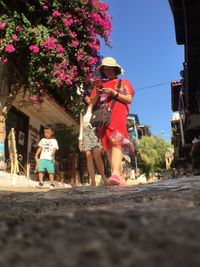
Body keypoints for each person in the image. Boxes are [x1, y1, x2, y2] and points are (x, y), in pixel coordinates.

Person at [90, 57, 134, 186]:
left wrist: (113, 92)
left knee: (117, 141)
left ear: (115, 69)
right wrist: (98, 92)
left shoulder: (124, 82)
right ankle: (118, 176)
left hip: (117, 115)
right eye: (105, 69)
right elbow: (92, 103)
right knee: (108, 145)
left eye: (110, 69)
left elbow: (128, 99)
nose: (108, 71)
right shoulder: (99, 85)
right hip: (103, 118)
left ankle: (114, 173)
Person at [78, 93, 108, 186]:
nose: (87, 98)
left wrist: (98, 92)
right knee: (88, 156)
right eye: (85, 97)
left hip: (94, 131)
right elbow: (81, 124)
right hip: (85, 132)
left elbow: (93, 101)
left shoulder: (94, 107)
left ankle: (103, 176)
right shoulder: (82, 110)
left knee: (97, 155)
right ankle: (93, 181)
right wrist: (80, 139)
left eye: (88, 96)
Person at [35, 125, 59, 189]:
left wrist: (53, 152)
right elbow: (40, 148)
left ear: (52, 133)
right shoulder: (42, 140)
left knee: (51, 171)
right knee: (40, 170)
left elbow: (55, 148)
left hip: (50, 159)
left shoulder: (54, 140)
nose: (47, 134)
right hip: (42, 158)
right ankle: (41, 182)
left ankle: (51, 183)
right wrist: (36, 154)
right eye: (45, 132)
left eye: (48, 132)